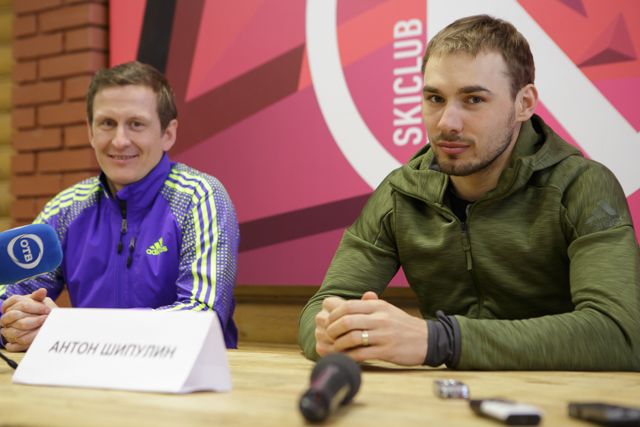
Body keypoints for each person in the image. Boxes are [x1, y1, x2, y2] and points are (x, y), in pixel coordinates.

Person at [298, 15, 640, 370]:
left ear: (524, 103)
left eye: (474, 99)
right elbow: (319, 311)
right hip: (445, 397)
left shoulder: (582, 186)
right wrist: (332, 333)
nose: (447, 122)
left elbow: (621, 335)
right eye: (435, 98)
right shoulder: (401, 192)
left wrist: (440, 341)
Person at [0, 61, 240, 351]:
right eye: (107, 123)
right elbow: (6, 300)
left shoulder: (199, 198)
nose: (120, 141)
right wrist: (16, 324)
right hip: (83, 374)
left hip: (188, 377)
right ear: (90, 132)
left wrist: (69, 329)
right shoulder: (65, 209)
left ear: (168, 134)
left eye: (136, 124)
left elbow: (201, 318)